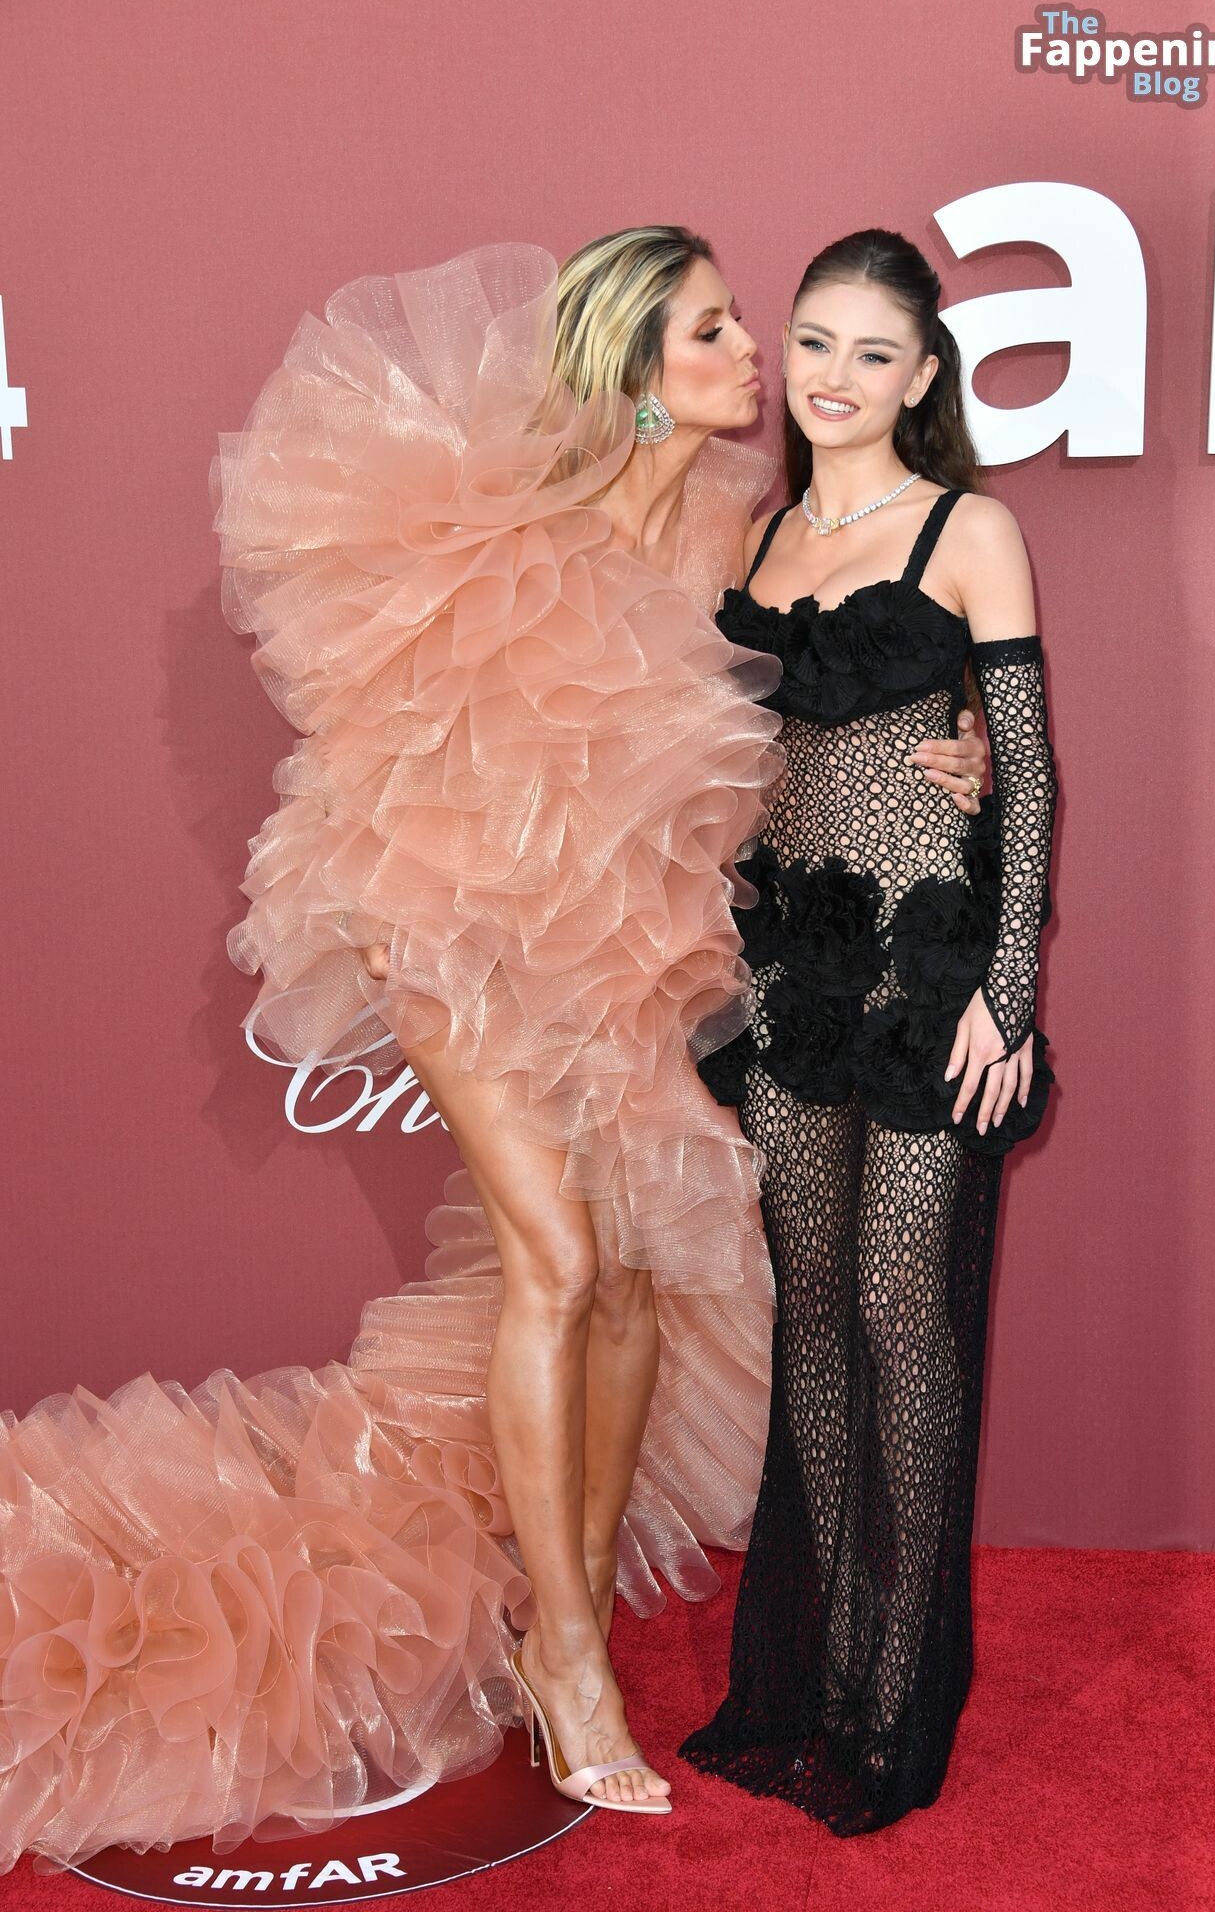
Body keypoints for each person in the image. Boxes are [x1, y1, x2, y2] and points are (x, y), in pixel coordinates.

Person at [0, 231, 988, 1864]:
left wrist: (957, 750)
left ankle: (559, 1612)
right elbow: (378, 744)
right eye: (712, 330)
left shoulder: (743, 532)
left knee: (632, 1279)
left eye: (747, 327)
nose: (753, 354)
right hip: (453, 935)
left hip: (619, 959)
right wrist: (414, 924)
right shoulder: (517, 522)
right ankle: (578, 1670)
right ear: (636, 370)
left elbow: (837, 699)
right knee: (560, 1258)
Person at [679, 228, 1059, 1835]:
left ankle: (903, 1687)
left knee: (906, 1306)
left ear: (922, 377)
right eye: (816, 343)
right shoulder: (753, 539)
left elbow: (1027, 773)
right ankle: (828, 1670)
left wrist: (1009, 997)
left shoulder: (973, 530)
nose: (836, 378)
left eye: (874, 353)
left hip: (927, 981)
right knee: (815, 1320)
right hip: (787, 980)